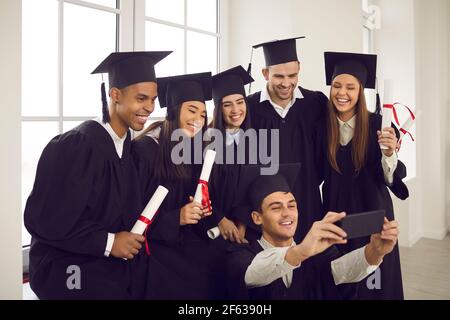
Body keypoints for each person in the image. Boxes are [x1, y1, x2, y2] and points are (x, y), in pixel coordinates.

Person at [24, 51, 171, 299]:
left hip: (108, 256)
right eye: (141, 98)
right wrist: (109, 242)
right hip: (67, 264)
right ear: (115, 95)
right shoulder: (77, 145)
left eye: (153, 99)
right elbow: (44, 221)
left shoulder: (128, 148)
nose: (149, 107)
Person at [226, 163, 400, 300]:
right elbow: (252, 273)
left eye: (292, 205)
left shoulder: (315, 255)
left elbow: (343, 269)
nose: (287, 213)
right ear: (257, 218)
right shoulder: (241, 255)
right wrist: (300, 251)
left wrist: (375, 251)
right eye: (276, 208)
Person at [315, 51, 409, 299]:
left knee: (374, 285)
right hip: (339, 219)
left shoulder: (380, 126)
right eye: (336, 86)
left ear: (360, 92)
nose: (342, 93)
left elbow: (391, 179)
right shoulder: (322, 128)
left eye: (350, 87)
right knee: (342, 282)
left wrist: (388, 153)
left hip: (373, 219)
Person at [131, 72, 221, 299]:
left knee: (219, 264)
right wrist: (177, 217)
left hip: (182, 238)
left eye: (203, 114)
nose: (198, 120)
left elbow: (189, 201)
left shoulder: (191, 148)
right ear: (173, 110)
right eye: (192, 111)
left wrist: (200, 209)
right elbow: (130, 215)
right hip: (151, 245)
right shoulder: (144, 150)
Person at [246, 37, 327, 242]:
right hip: (265, 211)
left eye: (293, 75)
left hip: (308, 202)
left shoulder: (315, 103)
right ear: (265, 73)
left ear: (299, 68)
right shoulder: (249, 108)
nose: (286, 83)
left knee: (309, 266)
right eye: (279, 76)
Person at [207, 65, 255, 244]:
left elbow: (252, 189)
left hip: (245, 228)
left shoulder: (253, 142)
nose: (236, 110)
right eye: (227, 104)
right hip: (211, 227)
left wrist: (242, 224)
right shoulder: (205, 144)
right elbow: (198, 189)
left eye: (240, 102)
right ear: (219, 109)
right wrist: (220, 220)